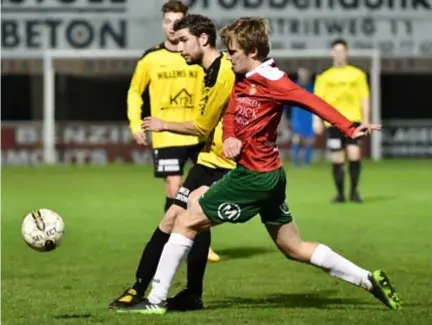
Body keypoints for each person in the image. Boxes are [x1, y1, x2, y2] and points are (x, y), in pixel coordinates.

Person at [120, 17, 401, 315]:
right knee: (294, 248)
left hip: (255, 177)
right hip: (269, 177)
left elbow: (311, 101)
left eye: (234, 52)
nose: (229, 57)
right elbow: (229, 112)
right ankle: (369, 280)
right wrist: (230, 137)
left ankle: (155, 301)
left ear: (253, 51)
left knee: (185, 219)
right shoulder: (241, 79)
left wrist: (348, 127)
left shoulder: (274, 80)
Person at [112, 14, 236, 312]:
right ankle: (140, 288)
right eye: (176, 38)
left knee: (194, 218)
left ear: (203, 38)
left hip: (223, 160)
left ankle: (186, 293)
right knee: (173, 218)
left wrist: (162, 122)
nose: (179, 47)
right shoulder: (169, 62)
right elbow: (135, 91)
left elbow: (203, 126)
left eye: (184, 40)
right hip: (205, 158)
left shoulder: (224, 70)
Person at [127, 0, 205, 213]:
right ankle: (174, 241)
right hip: (166, 135)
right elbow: (135, 92)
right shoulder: (151, 58)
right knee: (174, 186)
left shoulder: (197, 56)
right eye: (168, 21)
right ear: (162, 24)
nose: (172, 27)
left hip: (198, 131)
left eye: (177, 22)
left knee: (204, 190)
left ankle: (193, 242)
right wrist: (136, 125)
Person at [313, 39, 370, 203]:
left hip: (353, 121)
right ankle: (340, 194)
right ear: (332, 53)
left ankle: (354, 192)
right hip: (333, 123)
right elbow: (316, 101)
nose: (339, 54)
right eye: (336, 51)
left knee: (354, 155)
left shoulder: (357, 74)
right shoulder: (325, 76)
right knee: (337, 158)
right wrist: (316, 121)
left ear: (346, 52)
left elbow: (364, 98)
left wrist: (366, 120)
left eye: (341, 51)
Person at [289, 67, 315, 166]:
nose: (303, 75)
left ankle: (307, 162)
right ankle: (295, 163)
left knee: (309, 140)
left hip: (308, 116)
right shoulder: (293, 86)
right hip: (297, 116)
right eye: (301, 73)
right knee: (296, 139)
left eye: (304, 73)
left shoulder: (312, 87)